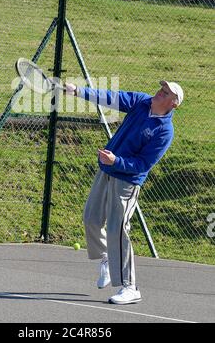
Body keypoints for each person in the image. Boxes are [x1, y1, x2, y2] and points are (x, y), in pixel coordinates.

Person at [65, 80, 184, 305]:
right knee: (90, 218)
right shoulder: (141, 101)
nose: (160, 92)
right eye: (161, 88)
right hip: (107, 171)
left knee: (117, 230)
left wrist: (116, 160)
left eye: (166, 92)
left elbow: (142, 164)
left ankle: (130, 287)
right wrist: (78, 91)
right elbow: (111, 97)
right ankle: (107, 259)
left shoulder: (164, 132)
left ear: (173, 104)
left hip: (127, 182)